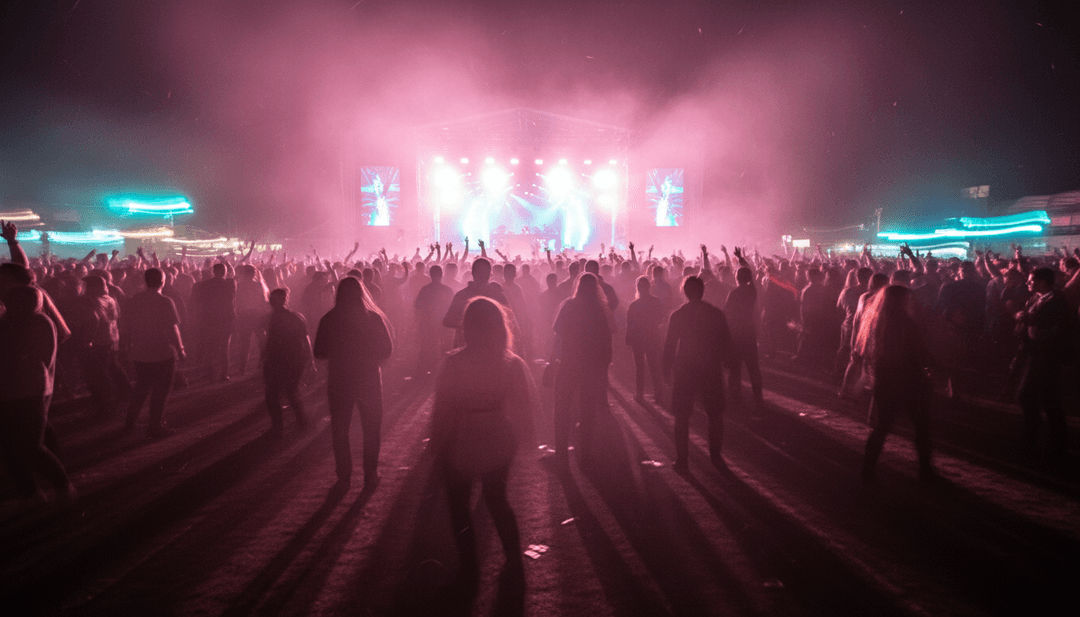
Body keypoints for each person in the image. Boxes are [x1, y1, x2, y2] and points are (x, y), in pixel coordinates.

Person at [431, 298, 535, 580]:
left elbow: (443, 407)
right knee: (497, 499)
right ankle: (513, 560)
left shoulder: (455, 361)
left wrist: (437, 440)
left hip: (462, 432)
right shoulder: (510, 362)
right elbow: (523, 405)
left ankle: (469, 567)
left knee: (459, 504)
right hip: (497, 432)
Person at [0, 285, 77, 505]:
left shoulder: (38, 322)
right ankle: (31, 493)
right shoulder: (9, 322)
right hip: (11, 392)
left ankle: (63, 487)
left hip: (29, 391)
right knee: (9, 448)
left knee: (31, 446)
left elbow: (29, 357)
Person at [313, 277, 393, 489]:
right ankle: (370, 473)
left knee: (340, 429)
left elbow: (319, 352)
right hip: (368, 379)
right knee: (371, 429)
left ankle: (344, 476)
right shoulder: (373, 318)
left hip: (340, 379)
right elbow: (387, 350)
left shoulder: (329, 319)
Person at [855, 285, 936, 482]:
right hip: (910, 380)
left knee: (882, 426)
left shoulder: (873, 322)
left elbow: (863, 352)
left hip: (885, 379)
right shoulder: (905, 323)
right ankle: (925, 470)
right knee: (921, 426)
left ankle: (867, 469)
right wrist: (934, 368)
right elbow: (920, 351)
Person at [663, 276, 730, 472]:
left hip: (685, 368)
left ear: (684, 291)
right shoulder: (715, 313)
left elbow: (669, 345)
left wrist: (666, 370)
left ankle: (682, 459)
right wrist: (724, 362)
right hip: (710, 367)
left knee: (682, 415)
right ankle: (715, 455)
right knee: (715, 414)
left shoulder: (678, 314)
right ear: (702, 291)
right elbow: (726, 340)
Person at [550, 272, 614, 462]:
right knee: (587, 410)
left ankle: (561, 451)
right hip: (590, 366)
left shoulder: (569, 305)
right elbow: (606, 341)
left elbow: (557, 332)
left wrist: (554, 358)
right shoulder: (599, 310)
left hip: (569, 362)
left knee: (561, 407)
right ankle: (585, 452)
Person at [1014, 267, 1070, 461]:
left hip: (1048, 356)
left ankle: (1056, 445)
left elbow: (1045, 322)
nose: (1028, 283)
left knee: (1047, 399)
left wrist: (1024, 317)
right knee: (1029, 396)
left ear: (1043, 282)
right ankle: (1032, 439)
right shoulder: (1035, 298)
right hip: (1033, 354)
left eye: (1031, 280)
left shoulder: (1057, 301)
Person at [124, 268, 186, 438]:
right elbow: (173, 328)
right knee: (161, 390)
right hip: (162, 352)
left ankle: (130, 421)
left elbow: (127, 326)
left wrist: (128, 346)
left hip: (140, 352)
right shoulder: (165, 301)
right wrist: (180, 350)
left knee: (141, 387)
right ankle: (155, 425)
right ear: (162, 282)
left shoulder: (135, 300)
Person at [263, 288, 314, 437]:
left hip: (277, 359)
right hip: (295, 358)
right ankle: (302, 422)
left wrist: (265, 354)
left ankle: (278, 427)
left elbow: (268, 339)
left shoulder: (270, 318)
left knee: (272, 394)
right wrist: (310, 360)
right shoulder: (297, 317)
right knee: (291, 391)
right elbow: (306, 339)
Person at [725, 266, 764, 408]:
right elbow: (752, 280)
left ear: (736, 278)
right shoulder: (752, 291)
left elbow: (726, 314)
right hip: (749, 332)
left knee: (735, 368)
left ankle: (736, 397)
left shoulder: (733, 294)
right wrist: (742, 260)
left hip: (736, 334)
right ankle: (758, 398)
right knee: (753, 367)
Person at [625, 276, 665, 405]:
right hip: (653, 337)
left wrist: (628, 340)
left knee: (639, 367)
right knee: (654, 367)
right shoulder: (656, 301)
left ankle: (640, 394)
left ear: (637, 288)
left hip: (638, 339)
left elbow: (629, 325)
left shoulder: (634, 305)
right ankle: (658, 394)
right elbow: (661, 318)